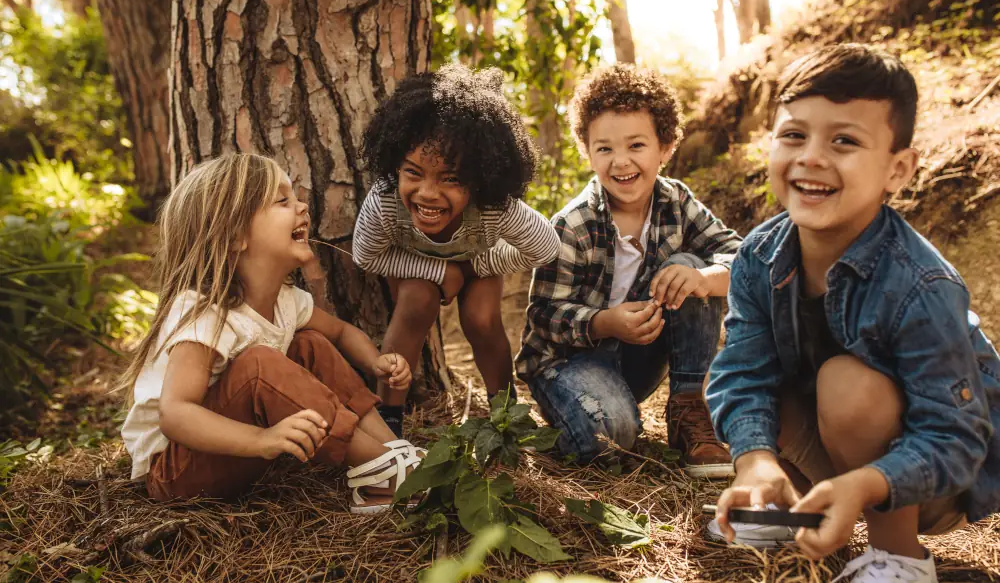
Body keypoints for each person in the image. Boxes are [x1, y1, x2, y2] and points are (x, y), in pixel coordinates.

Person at [706, 44, 1000, 581]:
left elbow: (955, 437)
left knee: (846, 382)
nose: (811, 157)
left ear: (898, 170)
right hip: (836, 442)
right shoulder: (758, 256)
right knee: (769, 383)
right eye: (794, 135)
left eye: (844, 140)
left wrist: (865, 484)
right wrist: (755, 460)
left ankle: (899, 556)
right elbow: (742, 371)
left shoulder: (921, 284)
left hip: (929, 476)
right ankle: (786, 500)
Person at [119, 153, 422, 514]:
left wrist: (376, 362)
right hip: (178, 470)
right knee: (260, 364)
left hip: (234, 451)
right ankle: (383, 471)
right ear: (234, 235)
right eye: (282, 201)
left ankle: (390, 452)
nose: (302, 207)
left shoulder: (287, 301)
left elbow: (340, 332)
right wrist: (262, 440)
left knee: (310, 344)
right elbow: (176, 414)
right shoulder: (204, 312)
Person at [517, 64, 742, 477]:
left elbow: (743, 257)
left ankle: (688, 407)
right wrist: (604, 323)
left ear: (666, 147)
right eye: (604, 149)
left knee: (688, 268)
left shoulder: (677, 202)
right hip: (569, 364)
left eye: (636, 145)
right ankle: (592, 414)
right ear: (587, 152)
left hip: (639, 357)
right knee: (611, 437)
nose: (621, 162)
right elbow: (543, 315)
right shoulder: (573, 224)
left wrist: (705, 279)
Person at [352, 64, 559, 437]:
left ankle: (506, 416)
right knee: (416, 302)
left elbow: (544, 247)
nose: (428, 193)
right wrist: (438, 272)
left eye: (450, 179)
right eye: (413, 172)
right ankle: (388, 422)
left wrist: (478, 264)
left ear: (480, 180)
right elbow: (366, 256)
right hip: (415, 268)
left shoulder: (494, 207)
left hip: (477, 263)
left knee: (481, 319)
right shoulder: (384, 202)